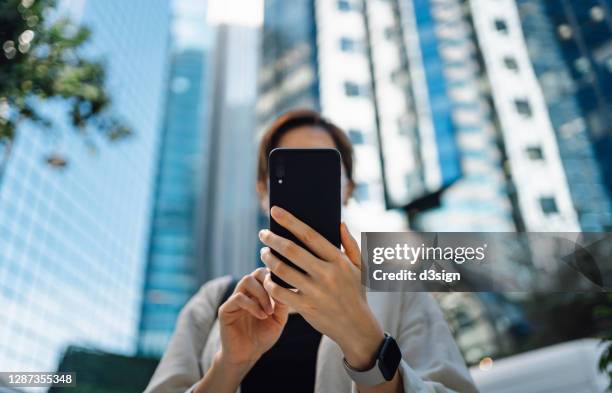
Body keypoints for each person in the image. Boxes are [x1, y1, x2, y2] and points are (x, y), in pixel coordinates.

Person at [144, 109, 479, 393]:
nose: (306, 188)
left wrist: (367, 345)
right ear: (263, 192)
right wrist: (228, 366)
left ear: (347, 190)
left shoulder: (398, 289)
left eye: (324, 172)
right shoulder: (215, 300)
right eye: (287, 173)